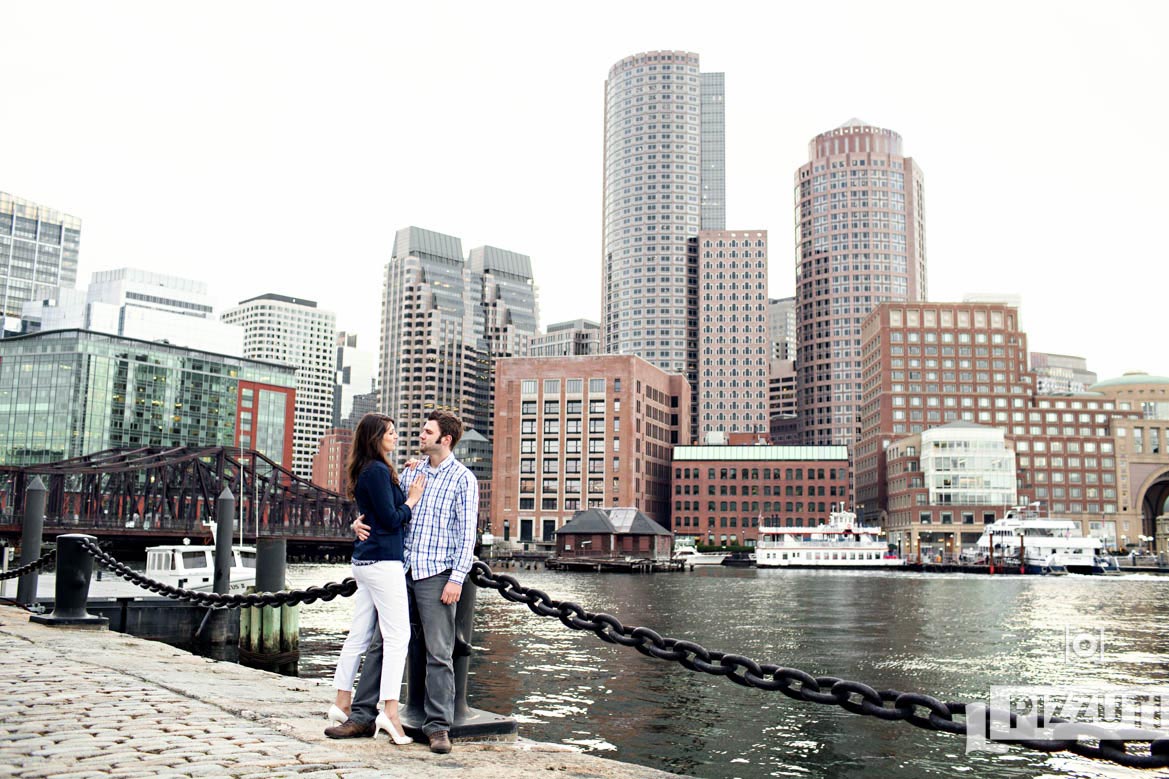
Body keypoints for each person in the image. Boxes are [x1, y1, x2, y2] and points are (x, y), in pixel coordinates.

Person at [325, 410, 478, 755]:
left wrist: (457, 578)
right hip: (398, 568)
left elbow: (466, 535)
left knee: (440, 652)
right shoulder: (410, 472)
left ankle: (438, 726)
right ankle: (363, 715)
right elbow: (383, 509)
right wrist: (357, 523)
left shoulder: (463, 479)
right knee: (381, 644)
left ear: (446, 440)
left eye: (427, 432)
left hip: (436, 574)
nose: (420, 436)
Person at [327, 413, 426, 746]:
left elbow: (379, 510)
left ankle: (342, 702)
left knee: (359, 635)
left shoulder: (371, 470)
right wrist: (411, 499)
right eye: (391, 433)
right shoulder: (377, 472)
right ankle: (390, 712)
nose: (396, 437)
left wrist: (407, 476)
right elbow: (391, 518)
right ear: (375, 437)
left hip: (366, 561)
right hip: (384, 561)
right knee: (397, 637)